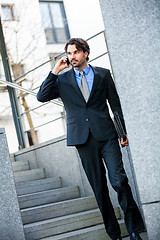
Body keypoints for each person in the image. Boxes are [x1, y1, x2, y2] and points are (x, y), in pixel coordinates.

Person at [37, 38, 145, 240]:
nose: (72, 57)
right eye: (69, 53)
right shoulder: (62, 80)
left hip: (107, 135)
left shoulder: (103, 74)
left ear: (85, 53)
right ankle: (115, 234)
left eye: (76, 52)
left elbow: (115, 106)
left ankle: (133, 230)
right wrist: (55, 71)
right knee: (99, 188)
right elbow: (41, 96)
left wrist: (122, 132)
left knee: (119, 180)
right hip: (83, 139)